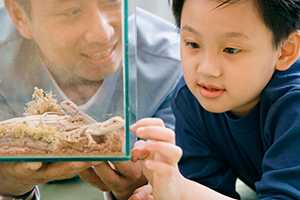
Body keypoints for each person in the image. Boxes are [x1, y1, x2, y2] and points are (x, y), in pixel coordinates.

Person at [0, 0, 182, 200]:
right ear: (19, 16)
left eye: (112, 2)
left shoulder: (178, 64)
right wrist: (8, 190)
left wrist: (146, 189)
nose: (103, 35)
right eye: (72, 12)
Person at [129, 0, 300, 199]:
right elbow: (207, 189)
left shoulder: (294, 104)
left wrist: (181, 190)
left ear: (285, 51)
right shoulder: (191, 100)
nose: (206, 69)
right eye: (192, 44)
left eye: (231, 50)